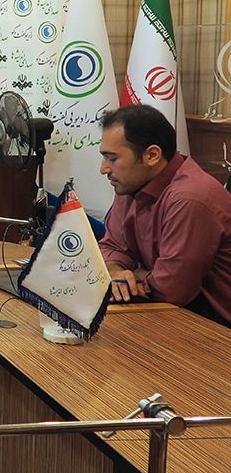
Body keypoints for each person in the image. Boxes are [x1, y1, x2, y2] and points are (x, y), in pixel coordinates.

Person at [97, 104, 231, 325]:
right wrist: (115, 271)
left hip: (215, 328)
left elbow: (171, 291)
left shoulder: (190, 199)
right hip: (169, 315)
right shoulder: (130, 182)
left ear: (152, 155)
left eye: (112, 159)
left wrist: (135, 274)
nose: (104, 169)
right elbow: (113, 246)